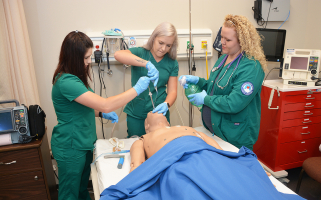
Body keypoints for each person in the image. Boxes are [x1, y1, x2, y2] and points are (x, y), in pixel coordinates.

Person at [100, 113, 305, 200]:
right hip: (175, 164)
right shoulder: (142, 139)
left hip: (205, 155)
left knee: (231, 182)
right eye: (150, 113)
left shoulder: (188, 128)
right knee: (188, 190)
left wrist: (236, 166)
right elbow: (138, 167)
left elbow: (217, 150)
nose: (156, 111)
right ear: (146, 125)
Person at [51, 30, 153, 200]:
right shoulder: (66, 82)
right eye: (85, 58)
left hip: (83, 143)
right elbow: (105, 104)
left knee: (82, 190)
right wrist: (136, 89)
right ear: (73, 57)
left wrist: (100, 114)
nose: (88, 62)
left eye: (89, 57)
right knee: (69, 195)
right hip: (71, 146)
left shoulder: (76, 78)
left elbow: (83, 106)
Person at [179, 15, 267, 150]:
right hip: (216, 131)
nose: (222, 43)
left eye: (228, 39)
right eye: (221, 37)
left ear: (242, 41)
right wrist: (199, 82)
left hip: (235, 135)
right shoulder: (224, 58)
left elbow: (234, 103)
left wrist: (205, 99)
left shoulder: (251, 67)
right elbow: (217, 87)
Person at [114, 22, 179, 137]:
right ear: (153, 38)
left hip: (159, 115)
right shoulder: (140, 53)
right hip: (136, 114)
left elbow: (173, 91)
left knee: (159, 146)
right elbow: (118, 55)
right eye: (161, 43)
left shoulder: (172, 63)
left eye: (168, 45)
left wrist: (166, 104)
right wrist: (145, 63)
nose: (163, 48)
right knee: (137, 147)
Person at [129, 112, 223, 173]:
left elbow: (136, 165)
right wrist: (224, 156)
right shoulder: (187, 128)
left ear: (147, 126)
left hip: (197, 149)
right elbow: (217, 148)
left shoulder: (144, 139)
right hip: (177, 155)